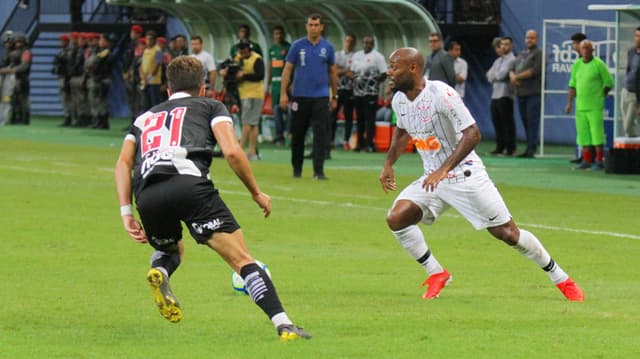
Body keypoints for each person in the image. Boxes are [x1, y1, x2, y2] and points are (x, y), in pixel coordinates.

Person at [114, 55, 311, 341]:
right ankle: (283, 323)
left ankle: (160, 271)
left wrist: (125, 211)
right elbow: (232, 151)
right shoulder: (211, 106)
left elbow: (123, 163)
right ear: (203, 88)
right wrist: (256, 192)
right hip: (189, 185)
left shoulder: (144, 118)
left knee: (171, 250)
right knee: (242, 260)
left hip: (147, 194)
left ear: (168, 91)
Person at [380, 47, 584, 302]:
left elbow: (473, 133)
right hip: (433, 179)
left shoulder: (441, 94)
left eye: (394, 66)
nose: (389, 72)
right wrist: (389, 163)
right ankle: (436, 273)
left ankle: (562, 278)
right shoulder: (399, 99)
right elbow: (401, 131)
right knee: (397, 218)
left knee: (508, 233)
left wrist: (443, 170)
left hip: (465, 176)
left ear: (413, 68)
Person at [280, 13, 338, 180]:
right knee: (298, 134)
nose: (313, 28)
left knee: (321, 135)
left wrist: (335, 96)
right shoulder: (297, 46)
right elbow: (288, 69)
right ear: (306, 26)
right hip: (300, 97)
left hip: (320, 97)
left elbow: (333, 72)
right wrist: (284, 93)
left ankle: (318, 171)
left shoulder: (327, 47)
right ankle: (296, 170)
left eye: (316, 25)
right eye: (310, 25)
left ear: (321, 27)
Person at [564, 40, 613, 170]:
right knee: (583, 134)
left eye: (587, 48)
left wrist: (601, 94)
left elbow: (608, 82)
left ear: (592, 50)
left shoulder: (599, 64)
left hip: (595, 106)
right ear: (579, 50)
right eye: (583, 48)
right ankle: (587, 160)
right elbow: (572, 85)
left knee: (597, 134)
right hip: (580, 106)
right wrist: (569, 103)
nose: (585, 50)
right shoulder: (577, 65)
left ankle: (599, 161)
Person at [222, 39, 265, 160]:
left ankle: (240, 149)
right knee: (253, 123)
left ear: (249, 49)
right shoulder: (237, 57)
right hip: (244, 93)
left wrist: (244, 76)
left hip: (255, 93)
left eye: (244, 49)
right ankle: (252, 152)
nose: (242, 52)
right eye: (240, 49)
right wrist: (224, 70)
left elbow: (260, 75)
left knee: (248, 122)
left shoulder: (257, 59)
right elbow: (225, 65)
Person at [350, 36, 387, 152]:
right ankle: (359, 144)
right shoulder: (357, 56)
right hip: (357, 92)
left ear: (373, 44)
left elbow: (384, 73)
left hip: (371, 93)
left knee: (369, 119)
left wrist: (374, 82)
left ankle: (369, 144)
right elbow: (352, 71)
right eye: (365, 42)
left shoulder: (378, 57)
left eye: (369, 43)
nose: (367, 45)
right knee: (359, 118)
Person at [509, 30, 542, 158]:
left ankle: (531, 149)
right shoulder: (522, 54)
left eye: (532, 38)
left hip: (533, 93)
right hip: (521, 93)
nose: (529, 40)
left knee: (532, 122)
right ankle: (528, 147)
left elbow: (535, 70)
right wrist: (513, 76)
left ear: (537, 39)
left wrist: (517, 77)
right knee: (525, 122)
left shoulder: (539, 54)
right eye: (527, 38)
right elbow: (512, 68)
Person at [486, 36, 516, 156]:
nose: (503, 46)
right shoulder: (498, 61)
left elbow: (501, 75)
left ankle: (510, 148)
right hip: (495, 94)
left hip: (506, 94)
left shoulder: (512, 60)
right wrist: (494, 76)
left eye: (506, 44)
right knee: (497, 121)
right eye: (502, 44)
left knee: (507, 122)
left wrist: (494, 76)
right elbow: (489, 76)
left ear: (511, 45)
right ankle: (500, 146)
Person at [266, 25, 291, 145]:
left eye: (280, 33)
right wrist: (268, 83)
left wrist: (291, 82)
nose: (278, 36)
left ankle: (290, 133)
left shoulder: (288, 47)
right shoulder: (272, 49)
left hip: (286, 83)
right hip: (275, 85)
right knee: (276, 110)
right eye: (276, 34)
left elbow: (291, 66)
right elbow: (270, 66)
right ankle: (279, 136)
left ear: (284, 35)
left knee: (290, 109)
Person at [0, 33, 31, 125]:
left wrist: (10, 70)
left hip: (21, 78)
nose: (17, 44)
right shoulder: (11, 52)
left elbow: (24, 66)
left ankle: (24, 118)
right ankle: (14, 117)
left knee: (23, 99)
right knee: (12, 99)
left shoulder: (26, 52)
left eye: (19, 42)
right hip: (11, 79)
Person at [85, 33, 114, 129]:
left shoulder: (106, 53)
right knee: (96, 100)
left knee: (102, 100)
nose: (100, 42)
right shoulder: (99, 51)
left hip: (103, 79)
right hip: (97, 78)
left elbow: (100, 64)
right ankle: (98, 120)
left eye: (102, 40)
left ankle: (103, 121)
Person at [333, 33, 357, 150]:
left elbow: (353, 73)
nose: (349, 43)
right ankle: (330, 140)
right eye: (347, 41)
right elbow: (334, 71)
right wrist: (345, 71)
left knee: (348, 117)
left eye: (351, 41)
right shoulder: (337, 55)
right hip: (338, 88)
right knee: (333, 115)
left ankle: (346, 141)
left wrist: (341, 70)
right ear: (344, 41)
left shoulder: (356, 56)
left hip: (350, 90)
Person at [569, 32, 587, 164]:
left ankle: (589, 158)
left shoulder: (590, 60)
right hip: (580, 101)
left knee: (591, 132)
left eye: (574, 44)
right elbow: (573, 84)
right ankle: (582, 155)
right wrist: (570, 101)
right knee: (582, 131)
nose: (574, 47)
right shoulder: (578, 62)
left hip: (591, 102)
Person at [122, 25, 144, 124]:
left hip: (136, 77)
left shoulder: (140, 45)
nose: (132, 34)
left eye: (134, 33)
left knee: (138, 101)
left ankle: (137, 122)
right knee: (131, 100)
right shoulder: (130, 45)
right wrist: (124, 72)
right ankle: (133, 121)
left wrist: (129, 72)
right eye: (132, 32)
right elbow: (126, 60)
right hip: (129, 75)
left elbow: (135, 62)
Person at [621, 26, 640, 138]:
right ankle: (632, 150)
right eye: (636, 36)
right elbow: (629, 69)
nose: (637, 39)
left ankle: (636, 143)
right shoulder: (631, 51)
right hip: (625, 91)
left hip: (635, 95)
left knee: (627, 127)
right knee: (627, 125)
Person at [139, 30, 163, 111]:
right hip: (144, 83)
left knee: (154, 106)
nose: (148, 41)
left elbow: (156, 66)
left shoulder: (158, 51)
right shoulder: (145, 51)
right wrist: (142, 77)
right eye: (147, 39)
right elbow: (142, 66)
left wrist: (147, 79)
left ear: (155, 40)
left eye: (150, 39)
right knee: (145, 106)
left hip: (154, 83)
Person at [52, 34, 73, 127]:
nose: (61, 43)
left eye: (63, 41)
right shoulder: (62, 52)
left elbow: (69, 65)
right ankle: (67, 117)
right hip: (62, 76)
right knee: (64, 98)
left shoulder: (69, 52)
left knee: (67, 98)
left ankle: (69, 118)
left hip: (67, 77)